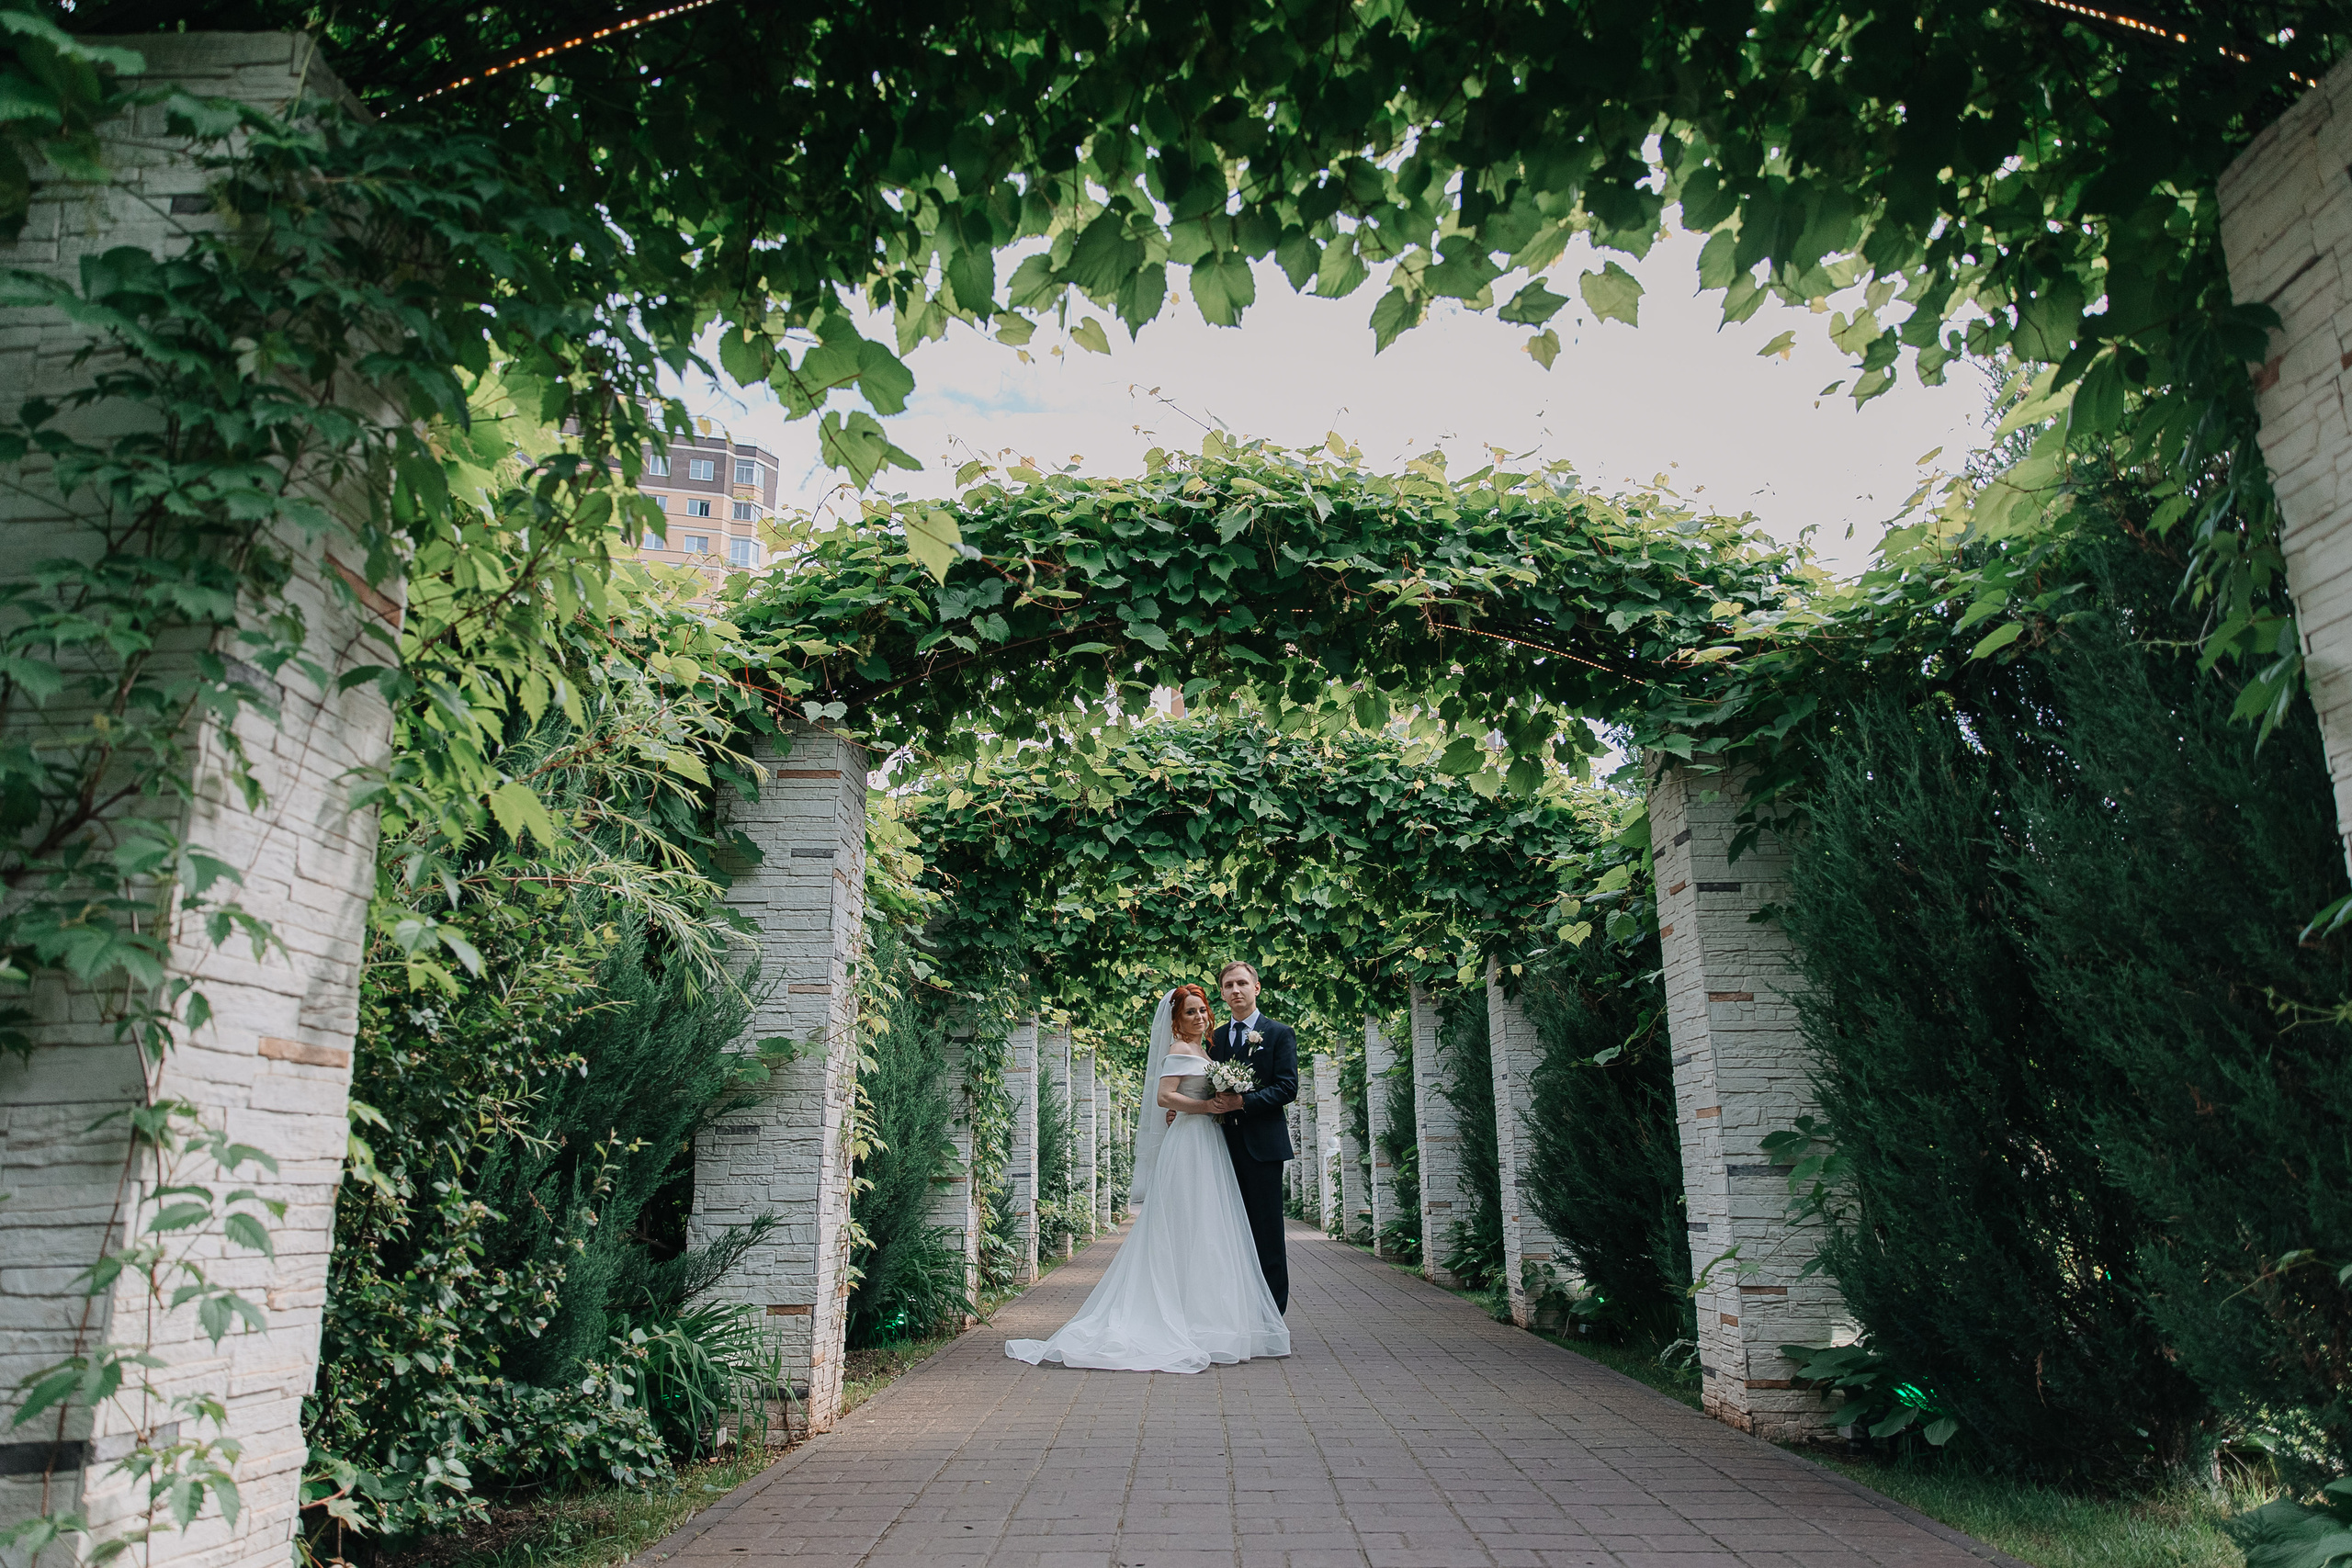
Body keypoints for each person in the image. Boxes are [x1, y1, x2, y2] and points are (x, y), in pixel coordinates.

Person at [1003, 984, 1290, 1372]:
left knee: (1209, 1229)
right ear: (1175, 1019)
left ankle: (1211, 1319)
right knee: (1186, 1225)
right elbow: (1164, 1097)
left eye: (1202, 1010)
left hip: (1210, 1143)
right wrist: (1203, 1106)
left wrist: (1213, 1105)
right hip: (1190, 1144)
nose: (1200, 1017)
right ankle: (1179, 1318)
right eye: (1190, 1012)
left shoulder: (1209, 1048)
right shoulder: (1177, 1050)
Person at [1204, 960, 1297, 1313]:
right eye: (1228, 986)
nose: (1235, 991)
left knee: (1266, 1232)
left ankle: (1273, 1313)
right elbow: (1202, 1084)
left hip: (1263, 1148)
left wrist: (1244, 1101)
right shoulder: (1215, 1038)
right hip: (1219, 1146)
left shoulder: (1278, 1033)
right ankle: (1233, 1310)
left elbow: (1287, 1087)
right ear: (1223, 993)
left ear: (1256, 988)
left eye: (1242, 983)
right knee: (1224, 1230)